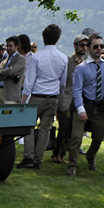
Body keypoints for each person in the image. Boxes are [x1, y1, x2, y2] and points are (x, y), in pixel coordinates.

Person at [19, 24, 67, 169]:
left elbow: (29, 81)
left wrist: (24, 100)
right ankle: (37, 159)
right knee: (45, 129)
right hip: (53, 97)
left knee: (29, 126)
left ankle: (28, 156)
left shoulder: (37, 57)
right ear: (57, 38)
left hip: (37, 96)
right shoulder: (63, 58)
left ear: (43, 37)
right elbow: (63, 82)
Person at [66, 34, 104, 176]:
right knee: (76, 138)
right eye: (96, 46)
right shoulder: (81, 68)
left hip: (99, 107)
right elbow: (77, 90)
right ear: (88, 48)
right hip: (84, 104)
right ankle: (72, 165)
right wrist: (80, 109)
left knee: (99, 137)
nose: (99, 49)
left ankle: (90, 156)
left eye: (102, 46)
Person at [53, 35, 88, 164]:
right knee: (63, 127)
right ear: (75, 46)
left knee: (73, 129)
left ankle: (63, 153)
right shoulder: (67, 60)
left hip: (79, 99)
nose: (84, 48)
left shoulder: (87, 61)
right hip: (65, 97)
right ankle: (56, 152)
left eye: (86, 45)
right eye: (82, 45)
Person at [0, 35, 24, 103]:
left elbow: (11, 71)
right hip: (0, 92)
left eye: (10, 46)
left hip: (11, 94)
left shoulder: (20, 59)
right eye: (7, 46)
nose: (8, 48)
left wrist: (3, 73)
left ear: (16, 46)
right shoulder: (4, 60)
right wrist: (8, 75)